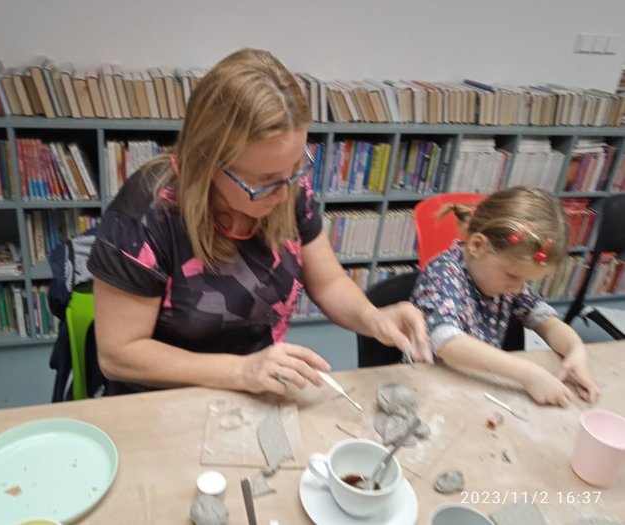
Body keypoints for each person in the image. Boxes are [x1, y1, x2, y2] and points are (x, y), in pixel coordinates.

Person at [88, 48, 430, 396]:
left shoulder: (288, 188)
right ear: (207, 160)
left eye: (294, 168)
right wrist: (240, 371)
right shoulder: (143, 218)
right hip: (164, 398)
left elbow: (328, 283)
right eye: (263, 180)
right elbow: (119, 355)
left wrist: (373, 318)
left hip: (256, 388)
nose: (284, 194)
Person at [411, 186, 600, 407]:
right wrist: (529, 374)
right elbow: (448, 344)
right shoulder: (443, 273)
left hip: (477, 382)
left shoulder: (507, 281)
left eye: (526, 280)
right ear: (477, 245)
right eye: (513, 275)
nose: (519, 288)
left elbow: (546, 321)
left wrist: (575, 349)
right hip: (429, 386)